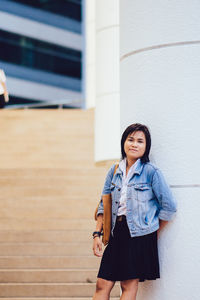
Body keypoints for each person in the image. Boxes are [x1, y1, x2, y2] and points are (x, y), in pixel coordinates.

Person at [92, 123, 177, 300]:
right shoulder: (114, 170)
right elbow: (103, 205)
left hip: (139, 235)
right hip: (117, 232)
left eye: (140, 141)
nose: (134, 144)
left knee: (128, 285)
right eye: (130, 139)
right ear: (124, 142)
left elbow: (169, 206)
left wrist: (152, 231)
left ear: (146, 147)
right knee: (102, 284)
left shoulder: (151, 172)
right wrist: (96, 234)